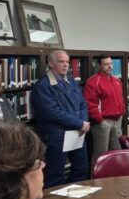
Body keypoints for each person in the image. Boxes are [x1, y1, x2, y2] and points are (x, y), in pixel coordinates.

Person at [31, 50, 91, 187]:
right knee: (55, 175)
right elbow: (51, 112)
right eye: (61, 61)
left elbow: (82, 103)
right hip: (57, 136)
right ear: (51, 64)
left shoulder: (71, 81)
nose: (65, 65)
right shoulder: (43, 86)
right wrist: (79, 123)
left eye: (67, 62)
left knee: (81, 170)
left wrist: (84, 122)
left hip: (78, 132)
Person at [83, 55, 126, 163]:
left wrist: (122, 113)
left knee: (116, 150)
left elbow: (121, 98)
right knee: (101, 154)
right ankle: (96, 179)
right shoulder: (93, 82)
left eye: (111, 63)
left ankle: (115, 177)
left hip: (117, 121)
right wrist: (101, 121)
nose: (109, 66)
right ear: (99, 65)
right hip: (102, 122)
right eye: (106, 64)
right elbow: (90, 104)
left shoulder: (116, 80)